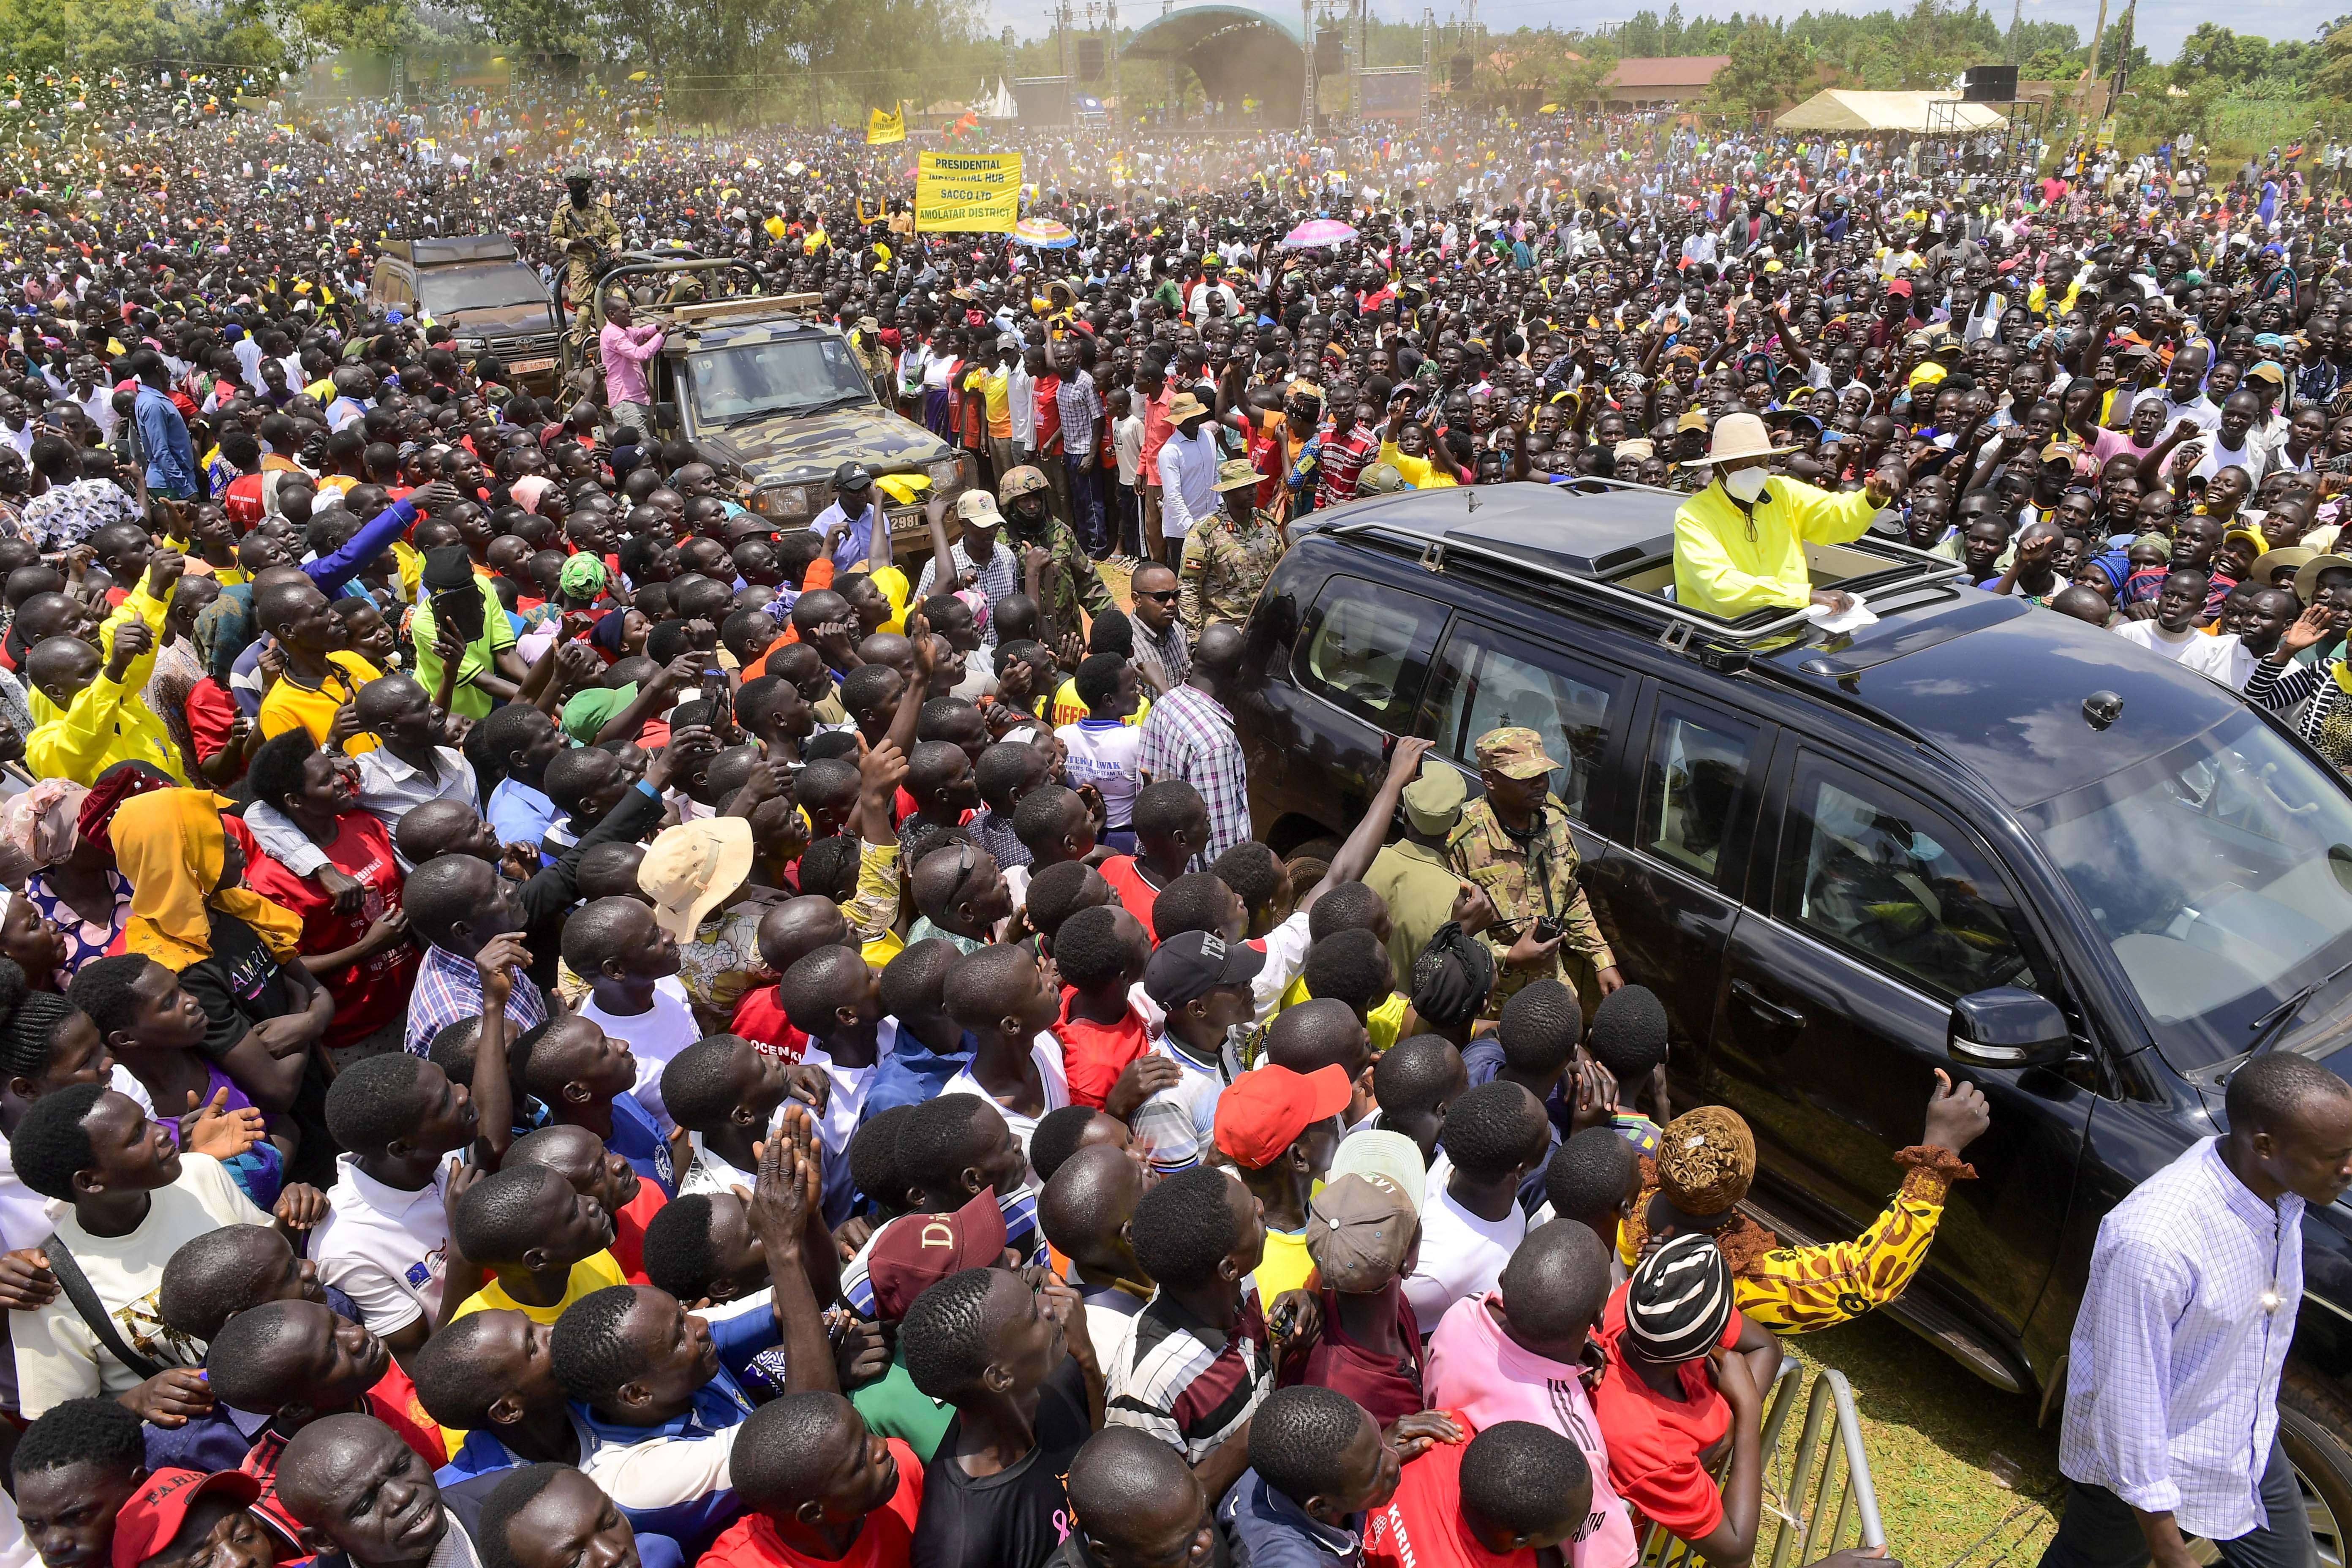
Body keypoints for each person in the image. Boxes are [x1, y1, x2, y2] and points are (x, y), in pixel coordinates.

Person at [2040, 1053, 2352, 1568]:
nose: (2349, 1168)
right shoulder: (2156, 1241)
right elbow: (2128, 1407)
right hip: (2137, 1470)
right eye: (2335, 1155)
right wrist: (2169, 1550)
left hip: (2241, 1435)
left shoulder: (2279, 1192)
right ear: (2266, 1146)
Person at [8, 1081, 325, 1415]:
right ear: (89, 1182)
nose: (161, 1133)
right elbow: (57, 1424)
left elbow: (278, 1278)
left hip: (297, 1385)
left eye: (147, 1120)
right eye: (135, 1137)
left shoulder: (199, 1175)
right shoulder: (49, 1281)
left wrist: (292, 1218)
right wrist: (134, 1402)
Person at [1447, 729, 1621, 1011]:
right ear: (1489, 780)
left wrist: (1601, 958)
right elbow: (1447, 934)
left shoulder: (1553, 820)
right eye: (1525, 778)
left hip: (1551, 988)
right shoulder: (1463, 838)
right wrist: (1510, 957)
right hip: (1491, 998)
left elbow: (1571, 894)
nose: (1540, 784)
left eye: (1542, 774)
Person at [1671, 410, 1903, 620]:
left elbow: (1836, 516)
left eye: (1761, 463)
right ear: (1717, 468)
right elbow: (1719, 585)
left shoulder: (1782, 490)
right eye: (1742, 466)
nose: (1754, 472)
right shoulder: (1693, 515)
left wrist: (1871, 499)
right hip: (1721, 636)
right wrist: (1805, 596)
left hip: (1789, 623)